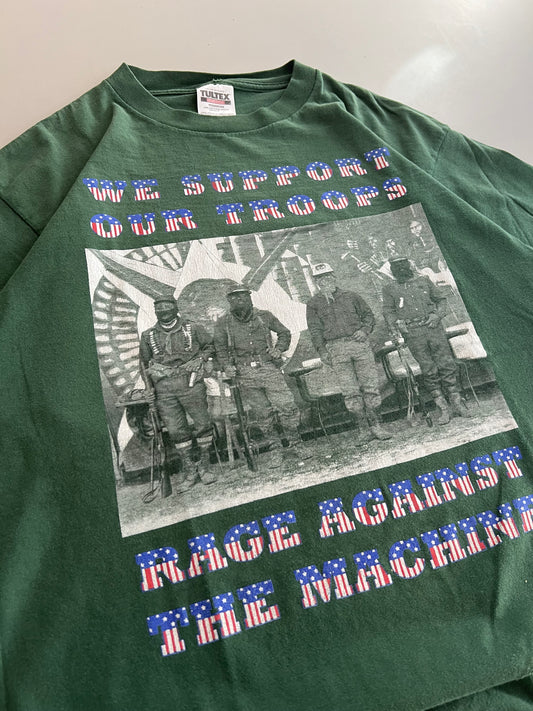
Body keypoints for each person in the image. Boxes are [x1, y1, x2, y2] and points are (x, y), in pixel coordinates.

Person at [213, 284, 306, 468]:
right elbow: (220, 349)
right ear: (229, 301)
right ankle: (275, 448)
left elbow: (284, 333)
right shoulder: (223, 323)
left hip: (268, 368)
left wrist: (278, 349)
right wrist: (227, 366)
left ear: (249, 297)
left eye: (242, 296)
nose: (239, 300)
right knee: (263, 413)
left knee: (286, 406)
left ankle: (297, 443)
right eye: (234, 297)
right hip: (245, 373)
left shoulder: (264, 316)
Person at [306, 263, 391, 444]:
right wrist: (322, 351)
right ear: (316, 281)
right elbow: (315, 330)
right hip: (336, 349)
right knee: (350, 391)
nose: (324, 280)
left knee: (370, 386)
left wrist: (364, 330)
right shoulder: (313, 304)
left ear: (334, 277)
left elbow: (368, 316)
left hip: (359, 345)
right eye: (320, 278)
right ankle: (363, 429)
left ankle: (377, 425)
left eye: (327, 276)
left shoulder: (351, 296)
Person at [139, 296, 216, 491]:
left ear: (175, 308)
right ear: (155, 312)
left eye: (167, 307)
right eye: (159, 308)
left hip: (190, 383)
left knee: (203, 424)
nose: (163, 311)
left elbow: (210, 346)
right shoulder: (148, 336)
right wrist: (149, 389)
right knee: (175, 430)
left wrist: (200, 359)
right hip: (164, 389)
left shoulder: (193, 328)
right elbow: (144, 364)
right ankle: (190, 471)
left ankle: (205, 467)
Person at [382, 257, 471, 424]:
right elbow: (388, 311)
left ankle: (457, 404)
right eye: (396, 266)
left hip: (433, 328)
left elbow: (441, 300)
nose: (400, 268)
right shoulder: (389, 289)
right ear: (392, 270)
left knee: (446, 364)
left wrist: (437, 316)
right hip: (413, 333)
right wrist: (396, 326)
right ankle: (443, 408)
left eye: (403, 264)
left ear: (409, 265)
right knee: (428, 369)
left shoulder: (424, 280)